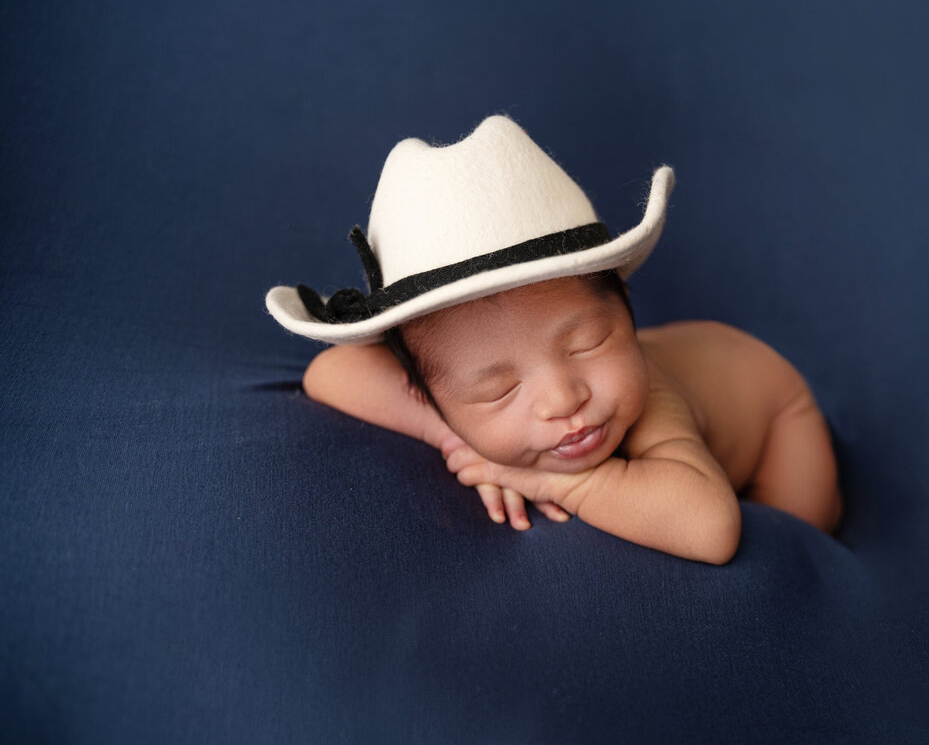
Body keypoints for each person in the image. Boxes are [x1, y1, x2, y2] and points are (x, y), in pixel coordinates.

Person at [266, 115, 840, 564]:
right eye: (497, 390)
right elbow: (329, 374)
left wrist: (542, 477)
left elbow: (711, 529)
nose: (563, 399)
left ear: (627, 314)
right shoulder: (457, 402)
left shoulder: (653, 404)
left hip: (770, 403)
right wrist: (455, 436)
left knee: (802, 531)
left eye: (589, 343)